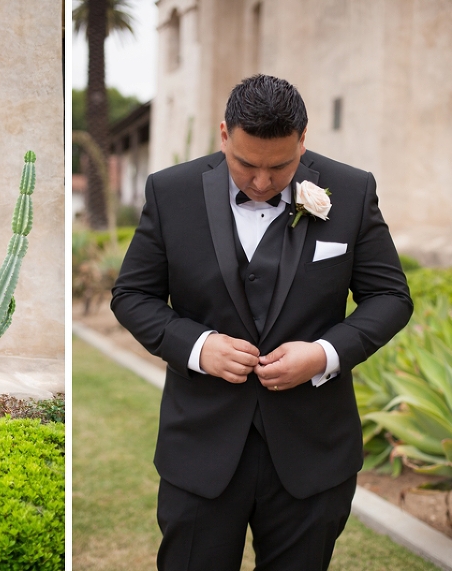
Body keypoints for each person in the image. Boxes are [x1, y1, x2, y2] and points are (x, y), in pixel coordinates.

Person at [110, 74, 413, 571]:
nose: (262, 182)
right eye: (246, 164)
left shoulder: (352, 190)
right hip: (201, 448)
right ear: (224, 134)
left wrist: (324, 354)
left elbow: (390, 297)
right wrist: (197, 345)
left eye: (281, 166)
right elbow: (132, 295)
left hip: (314, 451)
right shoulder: (171, 191)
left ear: (303, 138)